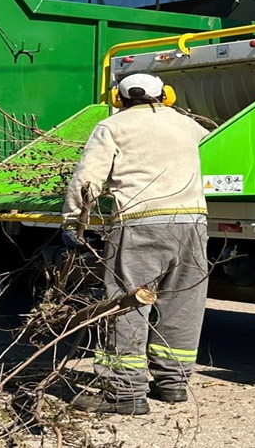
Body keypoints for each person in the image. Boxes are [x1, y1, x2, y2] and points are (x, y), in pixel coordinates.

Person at [63, 72, 211, 415]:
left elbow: (87, 180)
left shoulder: (113, 126)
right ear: (166, 96)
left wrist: (73, 221)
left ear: (119, 98)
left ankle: (125, 393)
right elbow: (217, 148)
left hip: (141, 223)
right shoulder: (188, 125)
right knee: (183, 305)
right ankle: (173, 383)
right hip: (193, 223)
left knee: (127, 306)